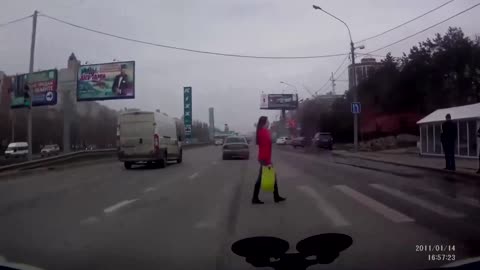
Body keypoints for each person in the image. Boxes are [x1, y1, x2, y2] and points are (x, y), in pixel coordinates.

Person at [252, 116, 286, 204]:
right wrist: (268, 162)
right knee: (260, 179)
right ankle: (255, 198)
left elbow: (266, 146)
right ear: (264, 123)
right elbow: (266, 148)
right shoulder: (264, 132)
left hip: (263, 158)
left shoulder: (261, 132)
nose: (269, 123)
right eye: (268, 122)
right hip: (264, 158)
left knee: (272, 177)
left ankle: (276, 196)